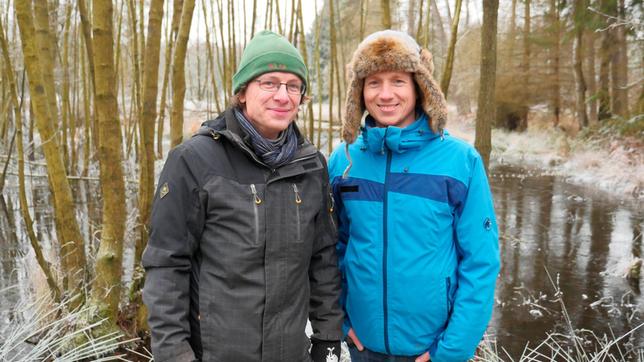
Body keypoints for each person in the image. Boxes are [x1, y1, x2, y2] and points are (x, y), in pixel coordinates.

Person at [143, 30, 343, 362]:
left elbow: (322, 259)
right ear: (242, 92)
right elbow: (166, 264)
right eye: (269, 82)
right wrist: (174, 353)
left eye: (293, 86)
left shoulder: (311, 166)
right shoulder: (194, 160)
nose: (283, 95)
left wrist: (327, 337)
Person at [328, 30, 500, 362]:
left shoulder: (460, 161)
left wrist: (449, 352)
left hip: (431, 351)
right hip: (362, 348)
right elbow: (330, 249)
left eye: (398, 81)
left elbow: (480, 263)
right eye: (374, 82)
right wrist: (339, 319)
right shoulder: (344, 160)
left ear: (420, 88)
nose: (386, 94)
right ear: (360, 91)